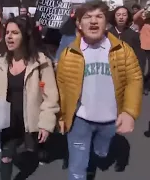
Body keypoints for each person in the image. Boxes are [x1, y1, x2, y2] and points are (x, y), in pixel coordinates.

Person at [57, 1, 143, 180]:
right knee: (76, 168)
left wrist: (129, 112)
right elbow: (62, 88)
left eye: (99, 16)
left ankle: (95, 157)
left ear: (106, 23)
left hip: (110, 120)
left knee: (100, 153)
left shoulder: (122, 50)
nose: (93, 21)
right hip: (79, 120)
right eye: (87, 17)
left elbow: (134, 80)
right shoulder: (68, 54)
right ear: (79, 24)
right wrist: (61, 116)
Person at [0, 16, 59, 180]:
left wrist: (46, 124)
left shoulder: (41, 62)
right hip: (8, 120)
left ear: (25, 35)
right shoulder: (1, 61)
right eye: (7, 32)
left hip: (31, 119)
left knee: (32, 149)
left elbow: (50, 96)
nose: (9, 36)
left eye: (15, 33)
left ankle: (39, 149)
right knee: (6, 155)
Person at [133, 3, 150, 94]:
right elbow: (134, 17)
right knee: (142, 69)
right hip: (142, 47)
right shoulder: (142, 21)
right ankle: (140, 85)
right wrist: (144, 8)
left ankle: (146, 86)